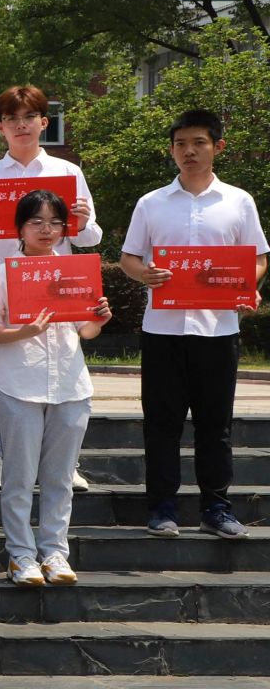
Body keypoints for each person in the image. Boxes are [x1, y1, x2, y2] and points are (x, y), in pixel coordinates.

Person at [119, 110, 269, 539]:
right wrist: (144, 274)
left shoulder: (239, 201)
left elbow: (258, 258)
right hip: (162, 329)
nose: (189, 151)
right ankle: (162, 509)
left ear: (217, 147)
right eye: (181, 144)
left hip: (217, 330)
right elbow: (129, 257)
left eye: (199, 142)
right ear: (171, 150)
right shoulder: (151, 203)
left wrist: (246, 286)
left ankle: (216, 509)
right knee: (161, 423)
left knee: (215, 425)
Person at [0, 84, 101, 492]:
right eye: (12, 119)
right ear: (0, 127)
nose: (21, 125)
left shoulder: (68, 173)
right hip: (4, 291)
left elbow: (90, 238)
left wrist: (82, 221)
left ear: (44, 122)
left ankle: (64, 461)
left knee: (63, 371)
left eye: (29, 117)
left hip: (57, 290)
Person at [0, 190, 110, 586]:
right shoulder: (2, 274)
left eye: (55, 223)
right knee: (19, 478)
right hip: (19, 387)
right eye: (36, 222)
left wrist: (99, 319)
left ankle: (54, 552)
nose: (46, 230)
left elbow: (85, 330)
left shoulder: (74, 271)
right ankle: (20, 555)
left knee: (60, 477)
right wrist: (24, 332)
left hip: (70, 386)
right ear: (20, 228)